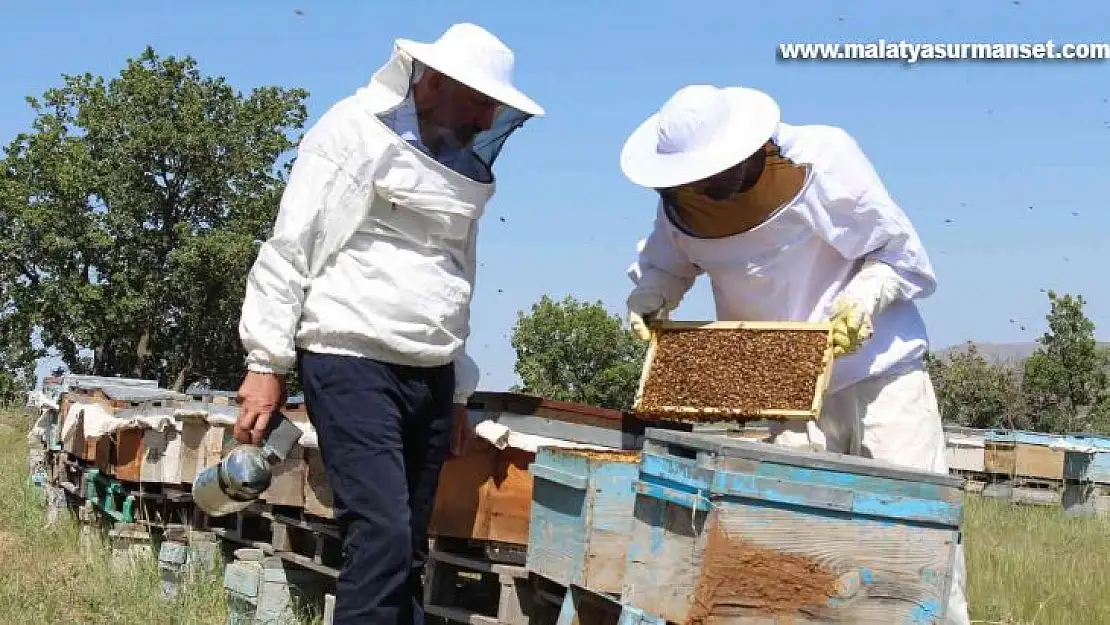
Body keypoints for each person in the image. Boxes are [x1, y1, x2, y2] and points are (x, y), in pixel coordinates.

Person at [619, 84, 969, 625]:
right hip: (787, 399)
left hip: (879, 382)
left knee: (917, 545)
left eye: (715, 177)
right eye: (694, 182)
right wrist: (650, 297)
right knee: (802, 561)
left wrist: (863, 298)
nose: (708, 191)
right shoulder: (681, 202)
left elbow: (903, 257)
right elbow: (667, 264)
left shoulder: (823, 158)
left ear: (747, 152)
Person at [233, 23, 544, 624]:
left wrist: (455, 392)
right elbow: (290, 246)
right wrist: (266, 361)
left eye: (494, 108)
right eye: (480, 102)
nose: (486, 122)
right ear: (429, 84)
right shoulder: (350, 131)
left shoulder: (460, 168)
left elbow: (454, 277)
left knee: (407, 550)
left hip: (428, 376)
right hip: (350, 360)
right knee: (379, 534)